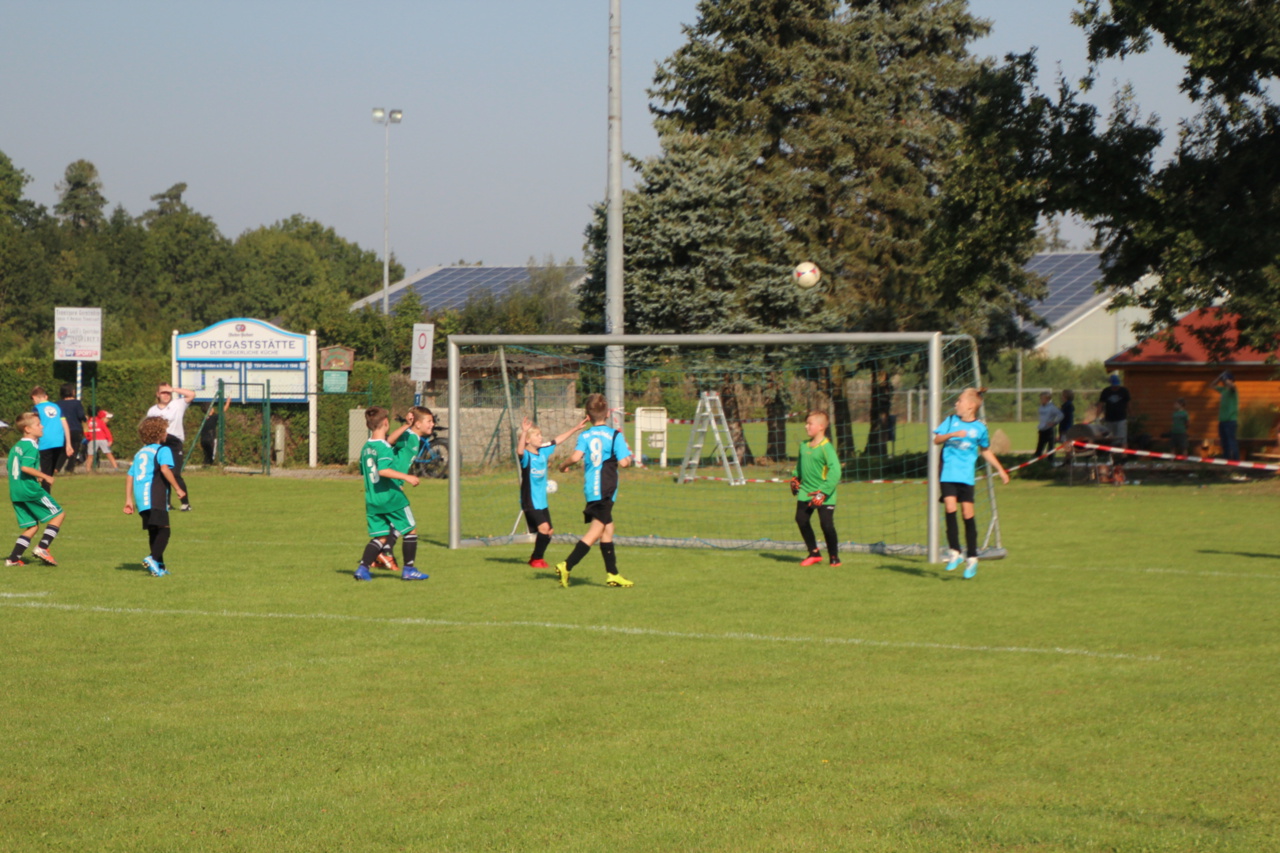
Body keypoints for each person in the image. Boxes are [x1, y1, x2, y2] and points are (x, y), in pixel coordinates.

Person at [554, 393, 635, 588]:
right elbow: (625, 463)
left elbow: (575, 458)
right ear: (607, 414)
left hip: (591, 488)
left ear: (588, 416)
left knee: (608, 529)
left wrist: (562, 466)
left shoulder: (585, 435)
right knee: (596, 531)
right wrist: (628, 458)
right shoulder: (615, 435)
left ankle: (613, 574)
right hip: (606, 488)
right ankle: (567, 565)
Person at [933, 388, 1010, 579]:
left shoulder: (980, 428)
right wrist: (952, 434)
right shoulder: (951, 421)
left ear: (970, 406)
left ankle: (972, 558)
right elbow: (936, 439)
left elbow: (985, 450)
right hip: (948, 474)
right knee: (950, 508)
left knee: (967, 514)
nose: (956, 403)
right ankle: (955, 551)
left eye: (959, 401)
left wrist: (1000, 469)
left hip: (966, 477)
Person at [354, 406, 426, 582]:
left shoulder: (366, 447)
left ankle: (362, 569)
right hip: (391, 497)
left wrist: (406, 425)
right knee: (410, 530)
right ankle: (409, 570)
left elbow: (364, 471)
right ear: (386, 423)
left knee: (381, 536)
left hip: (372, 498)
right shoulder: (384, 448)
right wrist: (407, 477)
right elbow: (383, 470)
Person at [517, 414, 588, 569]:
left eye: (540, 434)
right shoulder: (527, 457)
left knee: (549, 531)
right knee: (543, 528)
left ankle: (535, 558)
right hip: (530, 500)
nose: (541, 437)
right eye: (537, 435)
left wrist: (576, 428)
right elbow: (520, 451)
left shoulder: (543, 451)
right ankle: (536, 560)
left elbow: (558, 440)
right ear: (528, 439)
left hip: (541, 500)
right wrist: (524, 431)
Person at [373, 406, 438, 573]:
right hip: (391, 482)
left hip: (395, 483)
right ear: (418, 424)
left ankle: (380, 554)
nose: (432, 424)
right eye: (429, 421)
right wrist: (407, 425)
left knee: (395, 520)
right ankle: (388, 555)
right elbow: (390, 440)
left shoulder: (415, 438)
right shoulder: (409, 435)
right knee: (406, 523)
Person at [123, 416, 186, 577]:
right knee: (164, 531)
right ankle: (152, 558)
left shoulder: (140, 453)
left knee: (154, 531)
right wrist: (178, 488)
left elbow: (130, 475)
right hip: (155, 495)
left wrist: (128, 500)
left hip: (140, 499)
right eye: (165, 430)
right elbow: (165, 469)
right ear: (160, 433)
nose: (166, 433)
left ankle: (159, 567)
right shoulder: (162, 450)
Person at [6, 412, 67, 566]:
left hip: (16, 491)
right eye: (38, 424)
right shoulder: (31, 446)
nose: (42, 426)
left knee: (32, 526)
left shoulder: (16, 447)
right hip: (29, 490)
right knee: (59, 515)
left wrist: (35, 475)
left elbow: (12, 467)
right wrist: (45, 476)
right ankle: (42, 548)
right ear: (27, 429)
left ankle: (13, 559)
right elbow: (25, 467)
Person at [789, 410, 842, 567]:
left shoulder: (826, 447)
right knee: (801, 519)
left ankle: (834, 557)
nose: (806, 426)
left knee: (826, 525)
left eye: (809, 423)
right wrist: (795, 478)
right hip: (806, 491)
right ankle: (814, 553)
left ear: (821, 427)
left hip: (824, 493)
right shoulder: (803, 445)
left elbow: (835, 472)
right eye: (806, 423)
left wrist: (823, 493)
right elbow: (799, 466)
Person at [146, 383, 195, 510]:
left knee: (175, 473)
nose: (166, 395)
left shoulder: (177, 404)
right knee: (161, 473)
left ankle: (185, 503)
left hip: (174, 442)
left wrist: (173, 389)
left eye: (168, 392)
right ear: (158, 394)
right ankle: (166, 503)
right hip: (159, 443)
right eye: (163, 392)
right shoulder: (152, 410)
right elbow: (149, 429)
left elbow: (191, 394)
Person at [30, 387, 72, 493]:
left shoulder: (37, 408)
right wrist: (68, 443)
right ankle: (46, 495)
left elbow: (34, 425)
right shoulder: (56, 407)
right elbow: (65, 424)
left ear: (35, 397)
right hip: (59, 442)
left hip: (45, 442)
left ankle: (45, 497)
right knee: (49, 473)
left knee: (45, 473)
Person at [56, 384, 87, 474]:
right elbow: (80, 415)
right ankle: (69, 469)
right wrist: (85, 418)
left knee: (63, 451)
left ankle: (57, 468)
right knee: (74, 450)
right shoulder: (76, 403)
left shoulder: (58, 404)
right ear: (71, 392)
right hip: (75, 429)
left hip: (62, 430)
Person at [1212, 372, 1240, 461]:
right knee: (1224, 443)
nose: (1224, 381)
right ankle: (1226, 460)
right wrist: (1219, 377)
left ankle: (1236, 460)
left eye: (1226, 379)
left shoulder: (1233, 391)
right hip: (1222, 421)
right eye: (1223, 380)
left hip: (1230, 421)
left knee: (1231, 442)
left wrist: (1226, 378)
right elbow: (1212, 385)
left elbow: (1232, 386)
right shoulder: (1223, 390)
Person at [199, 398, 231, 466]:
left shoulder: (204, 419)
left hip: (203, 439)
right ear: (210, 410)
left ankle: (206, 463)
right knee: (212, 453)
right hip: (211, 438)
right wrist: (228, 403)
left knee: (206, 453)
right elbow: (223, 411)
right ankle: (210, 463)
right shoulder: (213, 417)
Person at [1035, 391, 1063, 458]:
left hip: (1049, 429)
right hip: (1042, 429)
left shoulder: (1052, 407)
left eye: (1042, 398)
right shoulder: (1041, 407)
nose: (1041, 400)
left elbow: (1060, 415)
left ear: (1047, 399)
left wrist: (1054, 422)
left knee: (1051, 447)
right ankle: (1037, 459)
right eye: (1040, 398)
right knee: (1040, 446)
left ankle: (1051, 460)